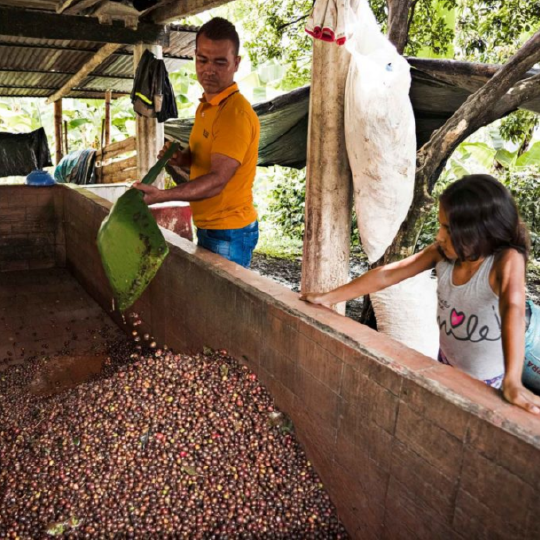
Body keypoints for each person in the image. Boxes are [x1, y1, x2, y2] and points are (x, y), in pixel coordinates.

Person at [301, 174, 540, 414]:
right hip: (449, 361)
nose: (439, 236)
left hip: (506, 363)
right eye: (440, 225)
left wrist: (512, 380)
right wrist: (328, 297)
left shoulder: (506, 259)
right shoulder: (441, 253)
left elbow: (513, 308)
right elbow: (386, 275)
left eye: (447, 228)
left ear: (478, 231)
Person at [134, 17, 260, 268]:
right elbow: (207, 155)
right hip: (212, 225)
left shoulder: (234, 114)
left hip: (228, 230)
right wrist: (183, 158)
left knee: (222, 304)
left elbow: (217, 180)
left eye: (220, 62)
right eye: (202, 60)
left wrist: (161, 196)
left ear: (236, 63)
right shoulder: (207, 106)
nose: (209, 69)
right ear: (194, 57)